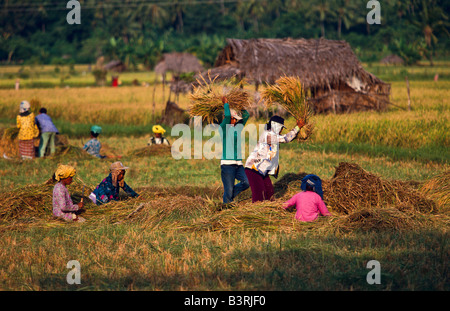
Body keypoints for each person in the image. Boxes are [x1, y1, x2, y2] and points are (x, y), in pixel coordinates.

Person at [244, 115, 305, 203]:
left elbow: (285, 138)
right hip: (253, 169)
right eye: (281, 128)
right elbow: (285, 138)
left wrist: (296, 132)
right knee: (259, 195)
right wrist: (298, 127)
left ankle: (268, 211)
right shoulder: (267, 135)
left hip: (262, 170)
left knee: (270, 193)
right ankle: (256, 213)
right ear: (276, 126)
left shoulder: (273, 136)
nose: (281, 130)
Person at [219, 96, 250, 204]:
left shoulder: (237, 128)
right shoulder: (223, 128)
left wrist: (240, 104)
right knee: (229, 189)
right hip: (227, 165)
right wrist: (226, 104)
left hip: (238, 164)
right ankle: (226, 207)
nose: (236, 121)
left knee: (247, 182)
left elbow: (246, 115)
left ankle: (229, 197)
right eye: (235, 119)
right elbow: (227, 116)